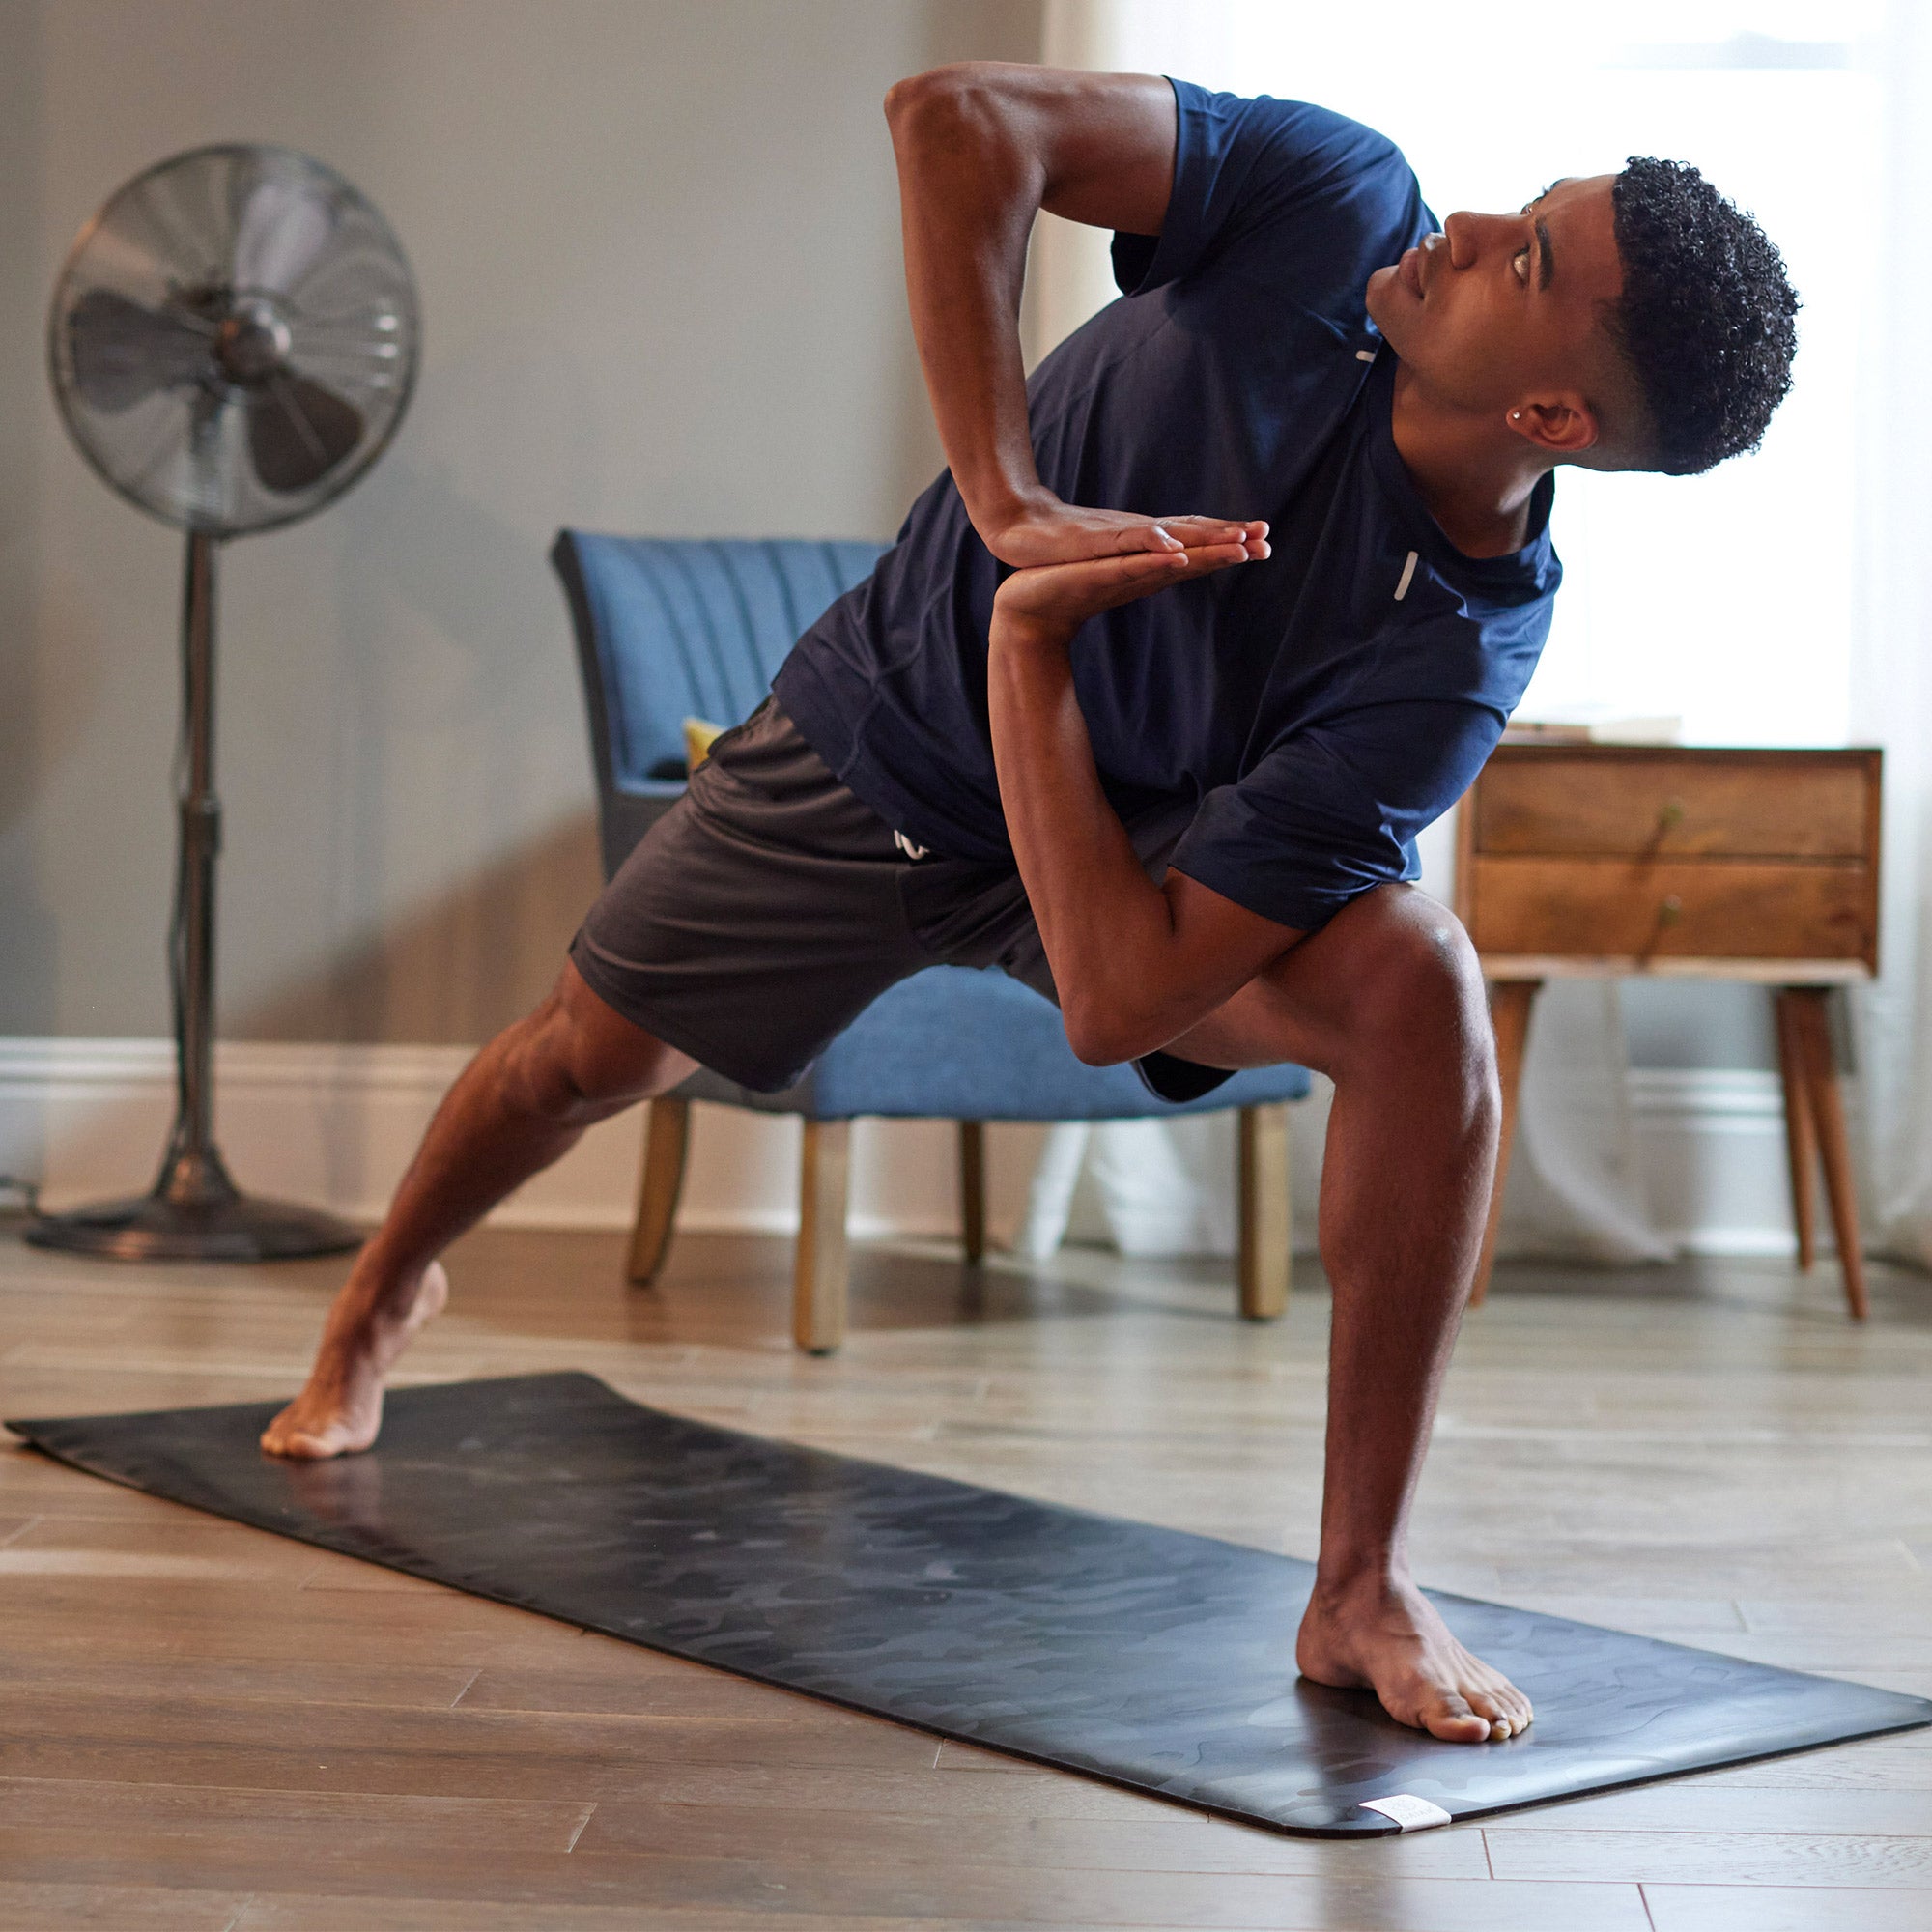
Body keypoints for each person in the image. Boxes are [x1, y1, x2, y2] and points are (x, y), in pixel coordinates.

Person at [262, 65, 1799, 1746]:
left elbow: (1117, 1004)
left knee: (1417, 987)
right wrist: (1004, 502)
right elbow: (956, 121)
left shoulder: (1455, 650)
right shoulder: (1334, 204)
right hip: (883, 745)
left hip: (1121, 863)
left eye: (1527, 260)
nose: (1476, 223)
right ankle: (381, 1298)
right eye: (1530, 202)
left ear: (1554, 420)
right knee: (586, 1058)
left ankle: (1361, 1585)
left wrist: (1035, 643)